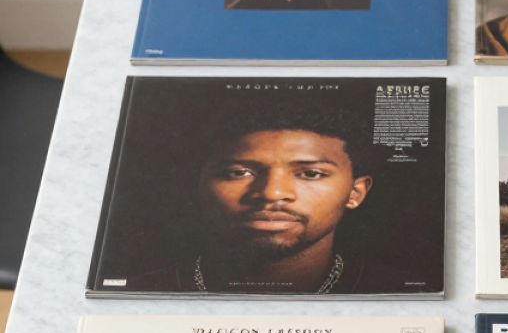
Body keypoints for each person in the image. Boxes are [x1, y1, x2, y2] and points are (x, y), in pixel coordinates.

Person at [134, 100, 379, 294]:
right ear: (198, 184)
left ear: (355, 193)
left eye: (311, 174)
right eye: (239, 172)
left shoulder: (388, 292)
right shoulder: (142, 291)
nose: (272, 193)